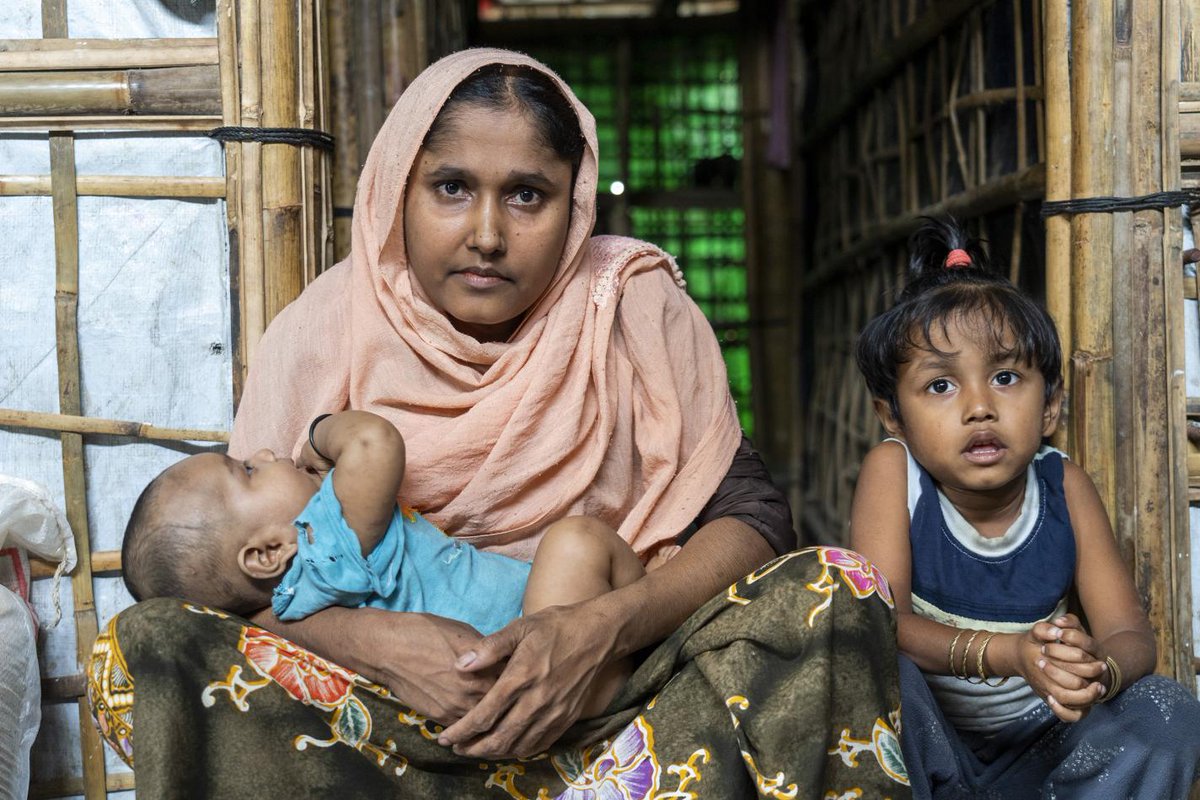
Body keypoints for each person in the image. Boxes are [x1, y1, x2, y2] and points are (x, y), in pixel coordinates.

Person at [87, 48, 910, 798]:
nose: (487, 235)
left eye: (527, 195)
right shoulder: (325, 331)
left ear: (574, 202)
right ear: (396, 189)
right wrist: (376, 644)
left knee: (837, 590)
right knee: (144, 647)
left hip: (629, 705)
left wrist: (594, 629)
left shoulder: (628, 306)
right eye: (451, 187)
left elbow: (756, 522)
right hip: (395, 734)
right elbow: (234, 587)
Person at [850, 217, 1200, 798]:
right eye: (941, 386)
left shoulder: (1063, 483)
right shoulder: (894, 473)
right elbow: (884, 628)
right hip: (936, 751)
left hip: (1046, 745)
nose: (980, 407)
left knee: (1168, 708)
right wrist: (1010, 654)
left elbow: (1129, 632)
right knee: (876, 677)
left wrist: (1094, 672)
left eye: (1006, 376)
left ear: (1050, 408)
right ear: (894, 418)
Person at [120, 410, 643, 715]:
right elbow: (375, 442)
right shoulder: (327, 549)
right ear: (267, 554)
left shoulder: (299, 604)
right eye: (249, 471)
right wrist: (318, 432)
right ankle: (621, 682)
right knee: (574, 541)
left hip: (522, 673)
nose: (263, 452)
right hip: (548, 664)